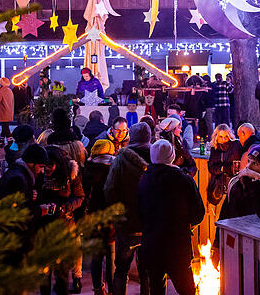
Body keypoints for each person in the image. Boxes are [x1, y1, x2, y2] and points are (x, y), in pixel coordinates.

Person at [138, 139, 205, 295]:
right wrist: (188, 225)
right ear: (171, 156)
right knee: (186, 288)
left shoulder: (144, 180)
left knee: (156, 287)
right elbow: (198, 212)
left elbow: (139, 211)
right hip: (178, 245)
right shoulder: (184, 180)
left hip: (152, 244)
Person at [104, 123, 152, 295]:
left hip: (126, 223)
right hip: (149, 224)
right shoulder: (156, 157)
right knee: (147, 271)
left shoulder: (120, 159)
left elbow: (109, 189)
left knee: (121, 270)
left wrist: (116, 215)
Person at [39, 145, 85, 295]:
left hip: (65, 226)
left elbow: (79, 197)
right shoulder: (38, 176)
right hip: (44, 227)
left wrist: (66, 207)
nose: (46, 169)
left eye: (50, 166)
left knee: (63, 270)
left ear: (58, 164)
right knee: (44, 270)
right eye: (44, 165)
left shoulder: (71, 175)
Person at [83, 139, 117, 295]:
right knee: (111, 257)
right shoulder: (114, 169)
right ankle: (111, 289)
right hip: (111, 217)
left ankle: (98, 289)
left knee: (97, 256)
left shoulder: (87, 168)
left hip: (92, 218)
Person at [206, 124, 243, 206]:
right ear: (216, 137)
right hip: (219, 185)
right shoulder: (215, 148)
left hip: (234, 183)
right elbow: (211, 167)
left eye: (226, 136)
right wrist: (223, 168)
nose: (223, 139)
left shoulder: (236, 145)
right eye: (220, 136)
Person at [0, 77, 15, 147]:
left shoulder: (1, 91)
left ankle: (11, 142)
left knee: (5, 128)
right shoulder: (10, 91)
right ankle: (1, 141)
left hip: (3, 112)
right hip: (9, 111)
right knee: (5, 127)